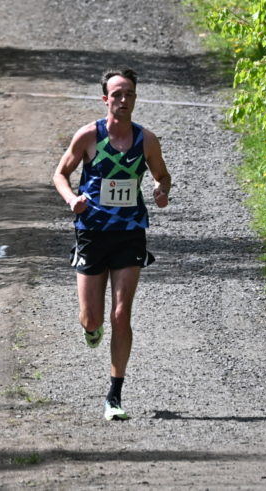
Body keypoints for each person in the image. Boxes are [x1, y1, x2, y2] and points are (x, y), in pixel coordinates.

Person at [52, 69, 171, 421]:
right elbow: (60, 173)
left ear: (135, 98)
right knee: (92, 318)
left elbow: (162, 175)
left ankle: (114, 396)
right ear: (105, 98)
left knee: (122, 315)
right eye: (116, 94)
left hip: (130, 231)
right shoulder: (89, 136)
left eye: (129, 94)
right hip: (91, 232)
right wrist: (71, 198)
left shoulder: (145, 140)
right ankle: (91, 329)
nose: (123, 100)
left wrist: (162, 190)